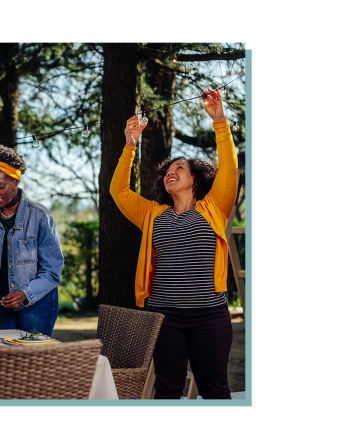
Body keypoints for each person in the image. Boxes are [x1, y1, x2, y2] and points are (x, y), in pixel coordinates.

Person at [110, 89, 238, 399]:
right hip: (164, 316)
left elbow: (230, 168)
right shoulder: (153, 214)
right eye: (168, 171)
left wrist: (220, 122)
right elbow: (119, 192)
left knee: (215, 389)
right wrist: (130, 146)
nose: (171, 173)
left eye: (179, 169)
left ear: (196, 179)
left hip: (210, 316)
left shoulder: (214, 208)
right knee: (167, 389)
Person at [0, 145, 64, 337]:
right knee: (0, 356)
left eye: (0, 187)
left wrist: (25, 293)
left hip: (38, 299)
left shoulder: (40, 217)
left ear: (15, 181)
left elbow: (52, 269)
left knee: (33, 358)